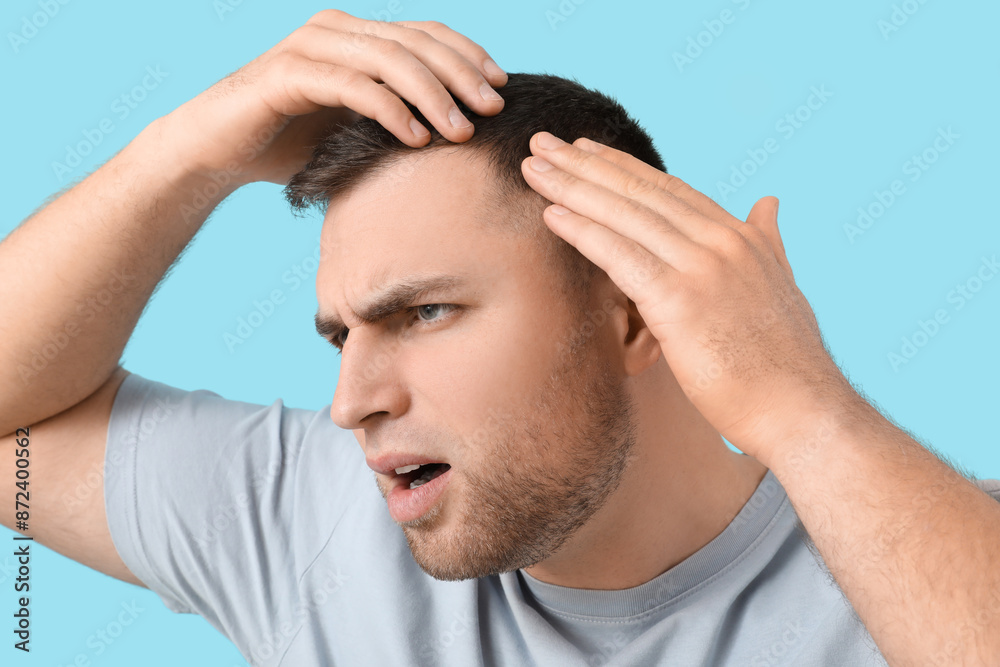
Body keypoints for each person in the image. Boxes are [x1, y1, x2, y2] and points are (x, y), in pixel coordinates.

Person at [1, 9, 998, 666]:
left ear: (634, 311)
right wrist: (181, 158)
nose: (352, 401)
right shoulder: (306, 519)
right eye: (340, 334)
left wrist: (804, 410)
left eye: (422, 313)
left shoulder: (933, 558)